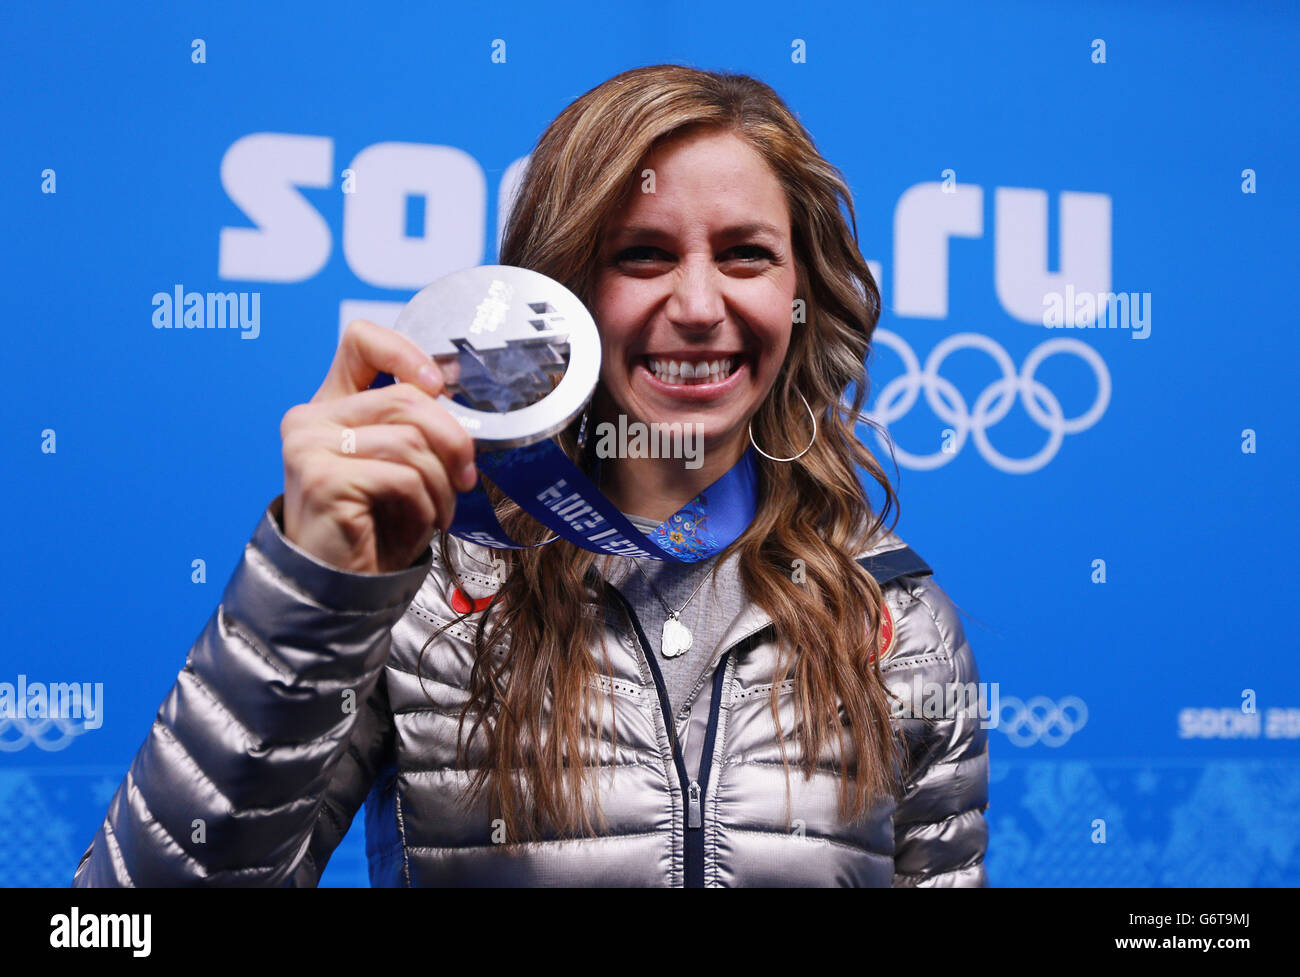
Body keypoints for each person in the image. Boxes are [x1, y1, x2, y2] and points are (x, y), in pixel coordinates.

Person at [73, 64, 988, 888]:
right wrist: (312, 589)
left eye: (746, 253)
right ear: (564, 291)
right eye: (642, 254)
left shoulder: (894, 621)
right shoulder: (427, 583)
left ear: (801, 295)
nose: (699, 305)